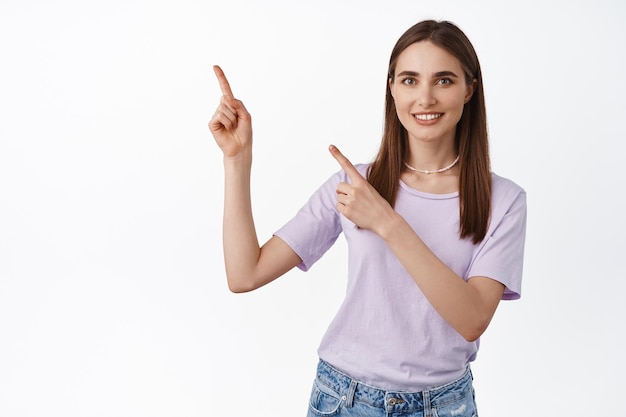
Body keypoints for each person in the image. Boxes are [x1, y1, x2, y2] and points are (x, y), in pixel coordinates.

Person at [209, 19, 526, 417]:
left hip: (444, 406)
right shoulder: (353, 183)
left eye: (444, 80)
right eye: (409, 80)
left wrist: (388, 223)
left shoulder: (505, 200)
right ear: (391, 88)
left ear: (469, 90)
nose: (425, 98)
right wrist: (237, 160)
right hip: (343, 400)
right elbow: (245, 274)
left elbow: (472, 319)